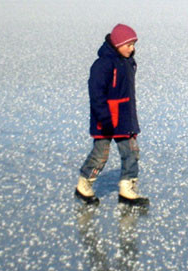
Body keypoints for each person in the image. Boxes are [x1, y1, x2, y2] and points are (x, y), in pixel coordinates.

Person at [75, 24, 149, 207]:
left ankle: (127, 189)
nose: (132, 49)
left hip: (125, 117)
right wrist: (104, 118)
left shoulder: (128, 62)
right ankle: (84, 185)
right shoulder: (103, 65)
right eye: (128, 45)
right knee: (101, 154)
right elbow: (96, 94)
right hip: (106, 118)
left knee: (131, 153)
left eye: (133, 45)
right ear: (117, 44)